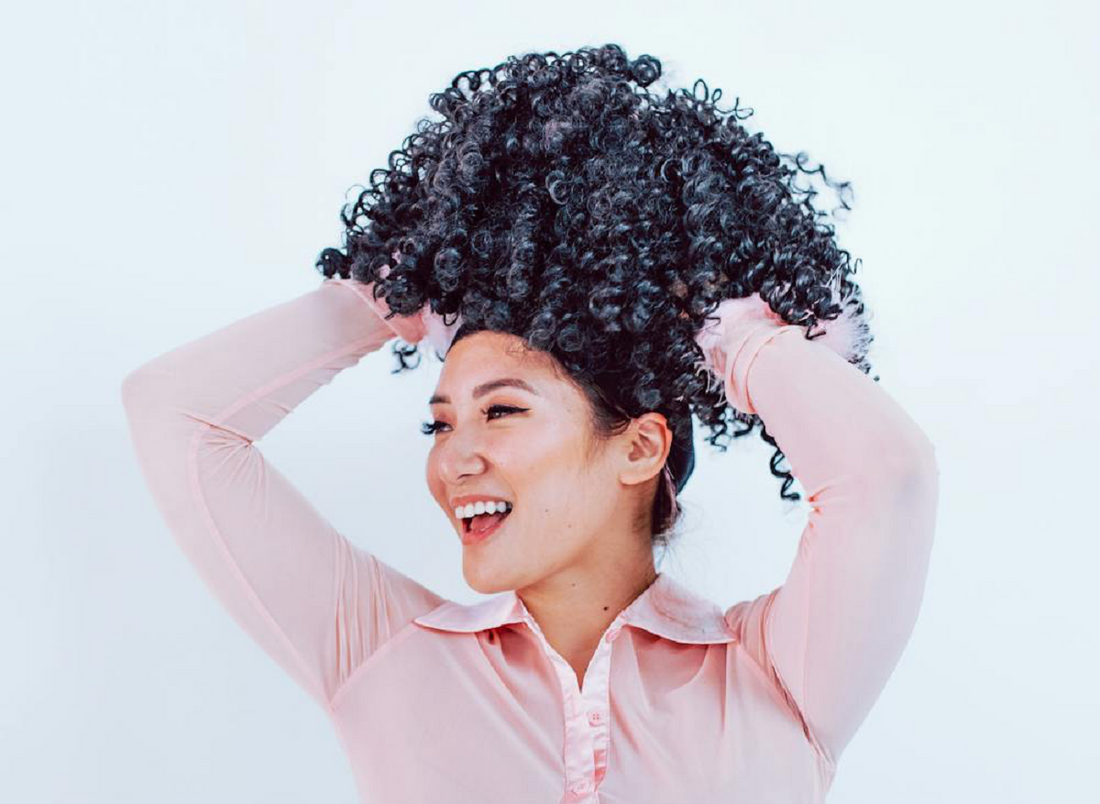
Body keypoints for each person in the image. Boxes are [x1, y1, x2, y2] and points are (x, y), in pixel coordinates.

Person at [121, 43, 939, 803]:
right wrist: (386, 293)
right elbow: (174, 417)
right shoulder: (382, 654)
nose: (455, 460)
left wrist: (725, 320)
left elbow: (884, 478)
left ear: (641, 446)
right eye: (439, 425)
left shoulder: (777, 674)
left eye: (502, 410)